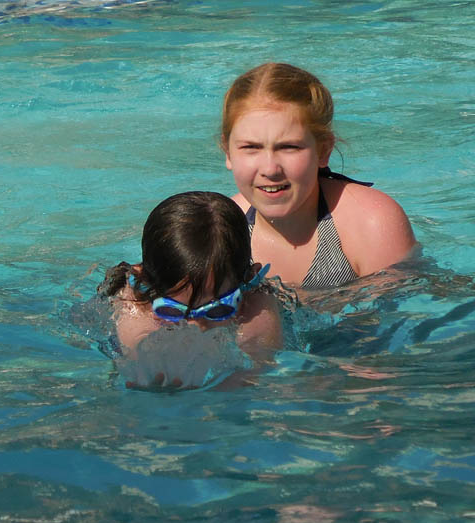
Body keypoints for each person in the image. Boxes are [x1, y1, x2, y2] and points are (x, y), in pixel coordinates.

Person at [221, 62, 417, 289]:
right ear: (228, 152)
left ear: (323, 151)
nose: (270, 169)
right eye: (251, 147)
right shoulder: (219, 232)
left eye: (289, 147)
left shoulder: (372, 224)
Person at [98, 191, 282, 388]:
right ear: (145, 282)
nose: (195, 325)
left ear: (248, 281)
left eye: (217, 310)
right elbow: (137, 353)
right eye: (172, 310)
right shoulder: (134, 300)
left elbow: (256, 367)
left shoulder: (257, 300)